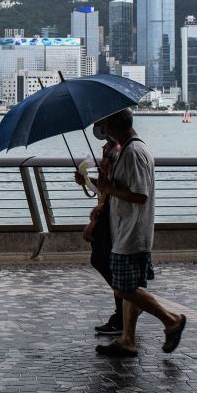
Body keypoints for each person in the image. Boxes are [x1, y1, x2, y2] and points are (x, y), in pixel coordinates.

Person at [76, 108, 187, 357]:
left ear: (113, 125)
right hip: (124, 228)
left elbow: (139, 194)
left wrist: (108, 189)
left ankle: (171, 320)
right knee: (129, 287)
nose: (101, 128)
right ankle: (127, 340)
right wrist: (92, 183)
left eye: (103, 122)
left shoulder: (134, 152)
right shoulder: (125, 149)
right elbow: (116, 188)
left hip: (132, 231)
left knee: (123, 288)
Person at [80, 117, 123, 336]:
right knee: (107, 261)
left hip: (109, 214)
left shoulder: (116, 150)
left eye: (100, 122)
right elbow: (106, 185)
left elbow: (114, 188)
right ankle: (124, 309)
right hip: (106, 210)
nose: (96, 126)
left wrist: (96, 218)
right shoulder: (109, 149)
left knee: (103, 260)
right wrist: (87, 181)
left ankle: (126, 306)